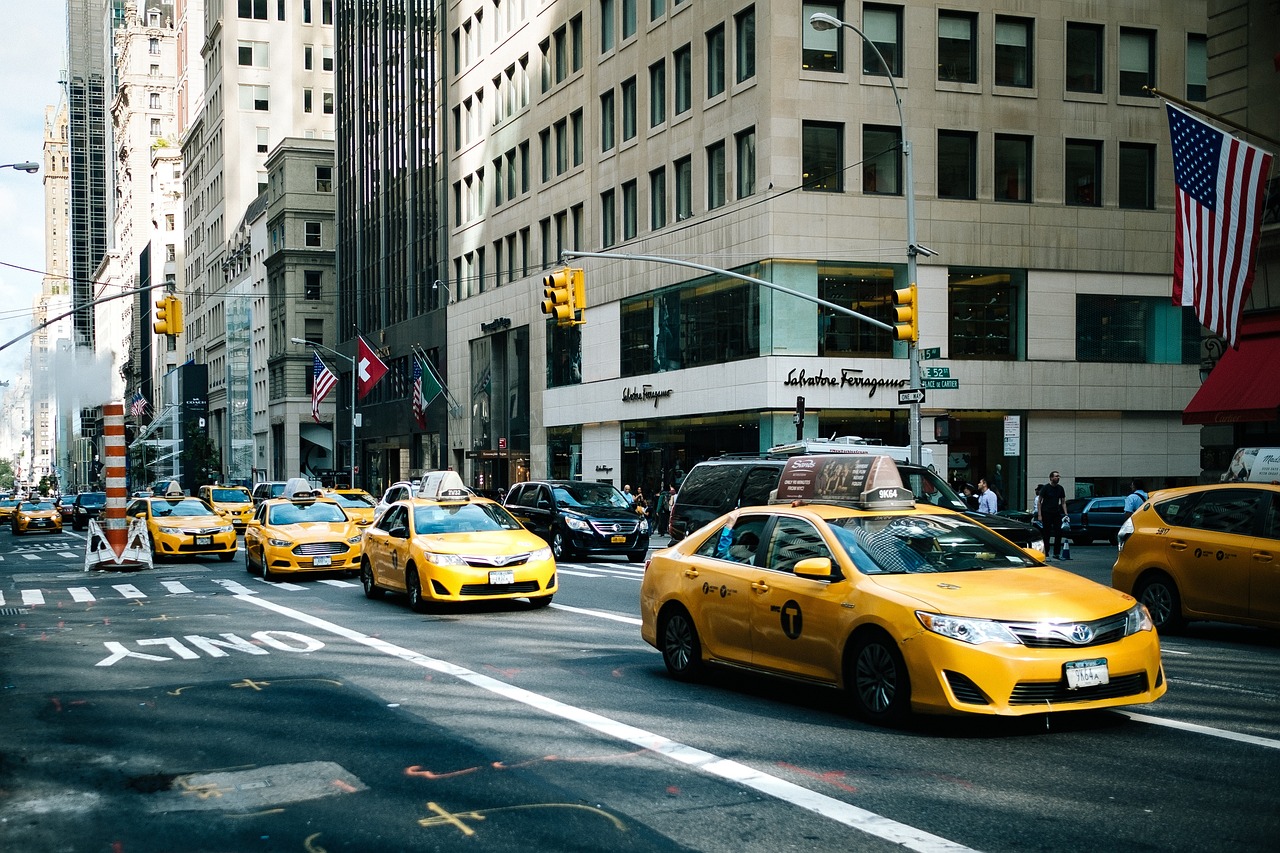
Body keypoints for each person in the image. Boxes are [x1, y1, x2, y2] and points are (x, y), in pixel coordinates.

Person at [1038, 470, 1068, 559]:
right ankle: (1046, 553)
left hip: (1056, 513)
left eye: (1058, 476)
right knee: (1046, 533)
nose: (1058, 478)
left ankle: (1056, 553)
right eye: (1056, 476)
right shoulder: (1046, 488)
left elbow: (1063, 502)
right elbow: (1039, 502)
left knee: (1058, 532)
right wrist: (1040, 515)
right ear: (1051, 478)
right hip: (1046, 512)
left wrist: (1066, 513)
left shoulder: (1060, 488)